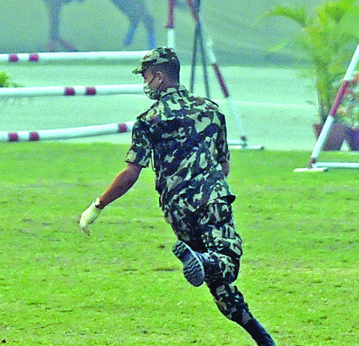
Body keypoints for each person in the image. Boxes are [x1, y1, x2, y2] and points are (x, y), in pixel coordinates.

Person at [78, 48, 275, 346]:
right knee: (227, 264)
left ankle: (263, 339)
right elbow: (223, 165)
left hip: (177, 209)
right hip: (212, 198)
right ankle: (203, 261)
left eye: (145, 76)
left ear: (159, 76)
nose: (145, 83)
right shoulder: (210, 110)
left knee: (219, 284)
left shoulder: (148, 120)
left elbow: (130, 174)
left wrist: (98, 205)